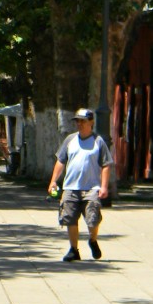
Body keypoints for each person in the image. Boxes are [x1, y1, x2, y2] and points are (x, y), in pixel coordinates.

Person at [48, 107, 113, 262]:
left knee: (92, 219)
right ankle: (73, 249)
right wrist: (53, 181)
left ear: (91, 122)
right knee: (69, 219)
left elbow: (106, 164)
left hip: (91, 188)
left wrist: (104, 186)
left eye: (83, 121)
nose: (79, 124)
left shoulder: (98, 141)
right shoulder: (70, 140)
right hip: (70, 187)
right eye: (77, 121)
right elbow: (60, 161)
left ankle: (92, 240)